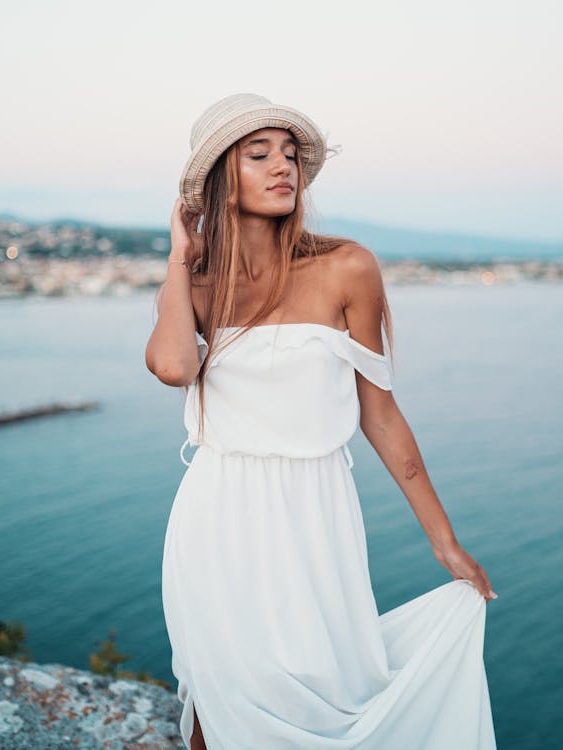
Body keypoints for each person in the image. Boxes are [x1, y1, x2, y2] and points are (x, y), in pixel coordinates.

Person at [145, 93, 498, 750]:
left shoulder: (346, 267)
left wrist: (444, 542)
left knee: (323, 689)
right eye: (260, 154)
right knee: (217, 699)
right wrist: (178, 260)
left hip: (314, 517)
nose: (285, 167)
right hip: (215, 519)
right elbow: (170, 367)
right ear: (222, 177)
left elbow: (382, 416)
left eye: (291, 155)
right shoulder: (196, 285)